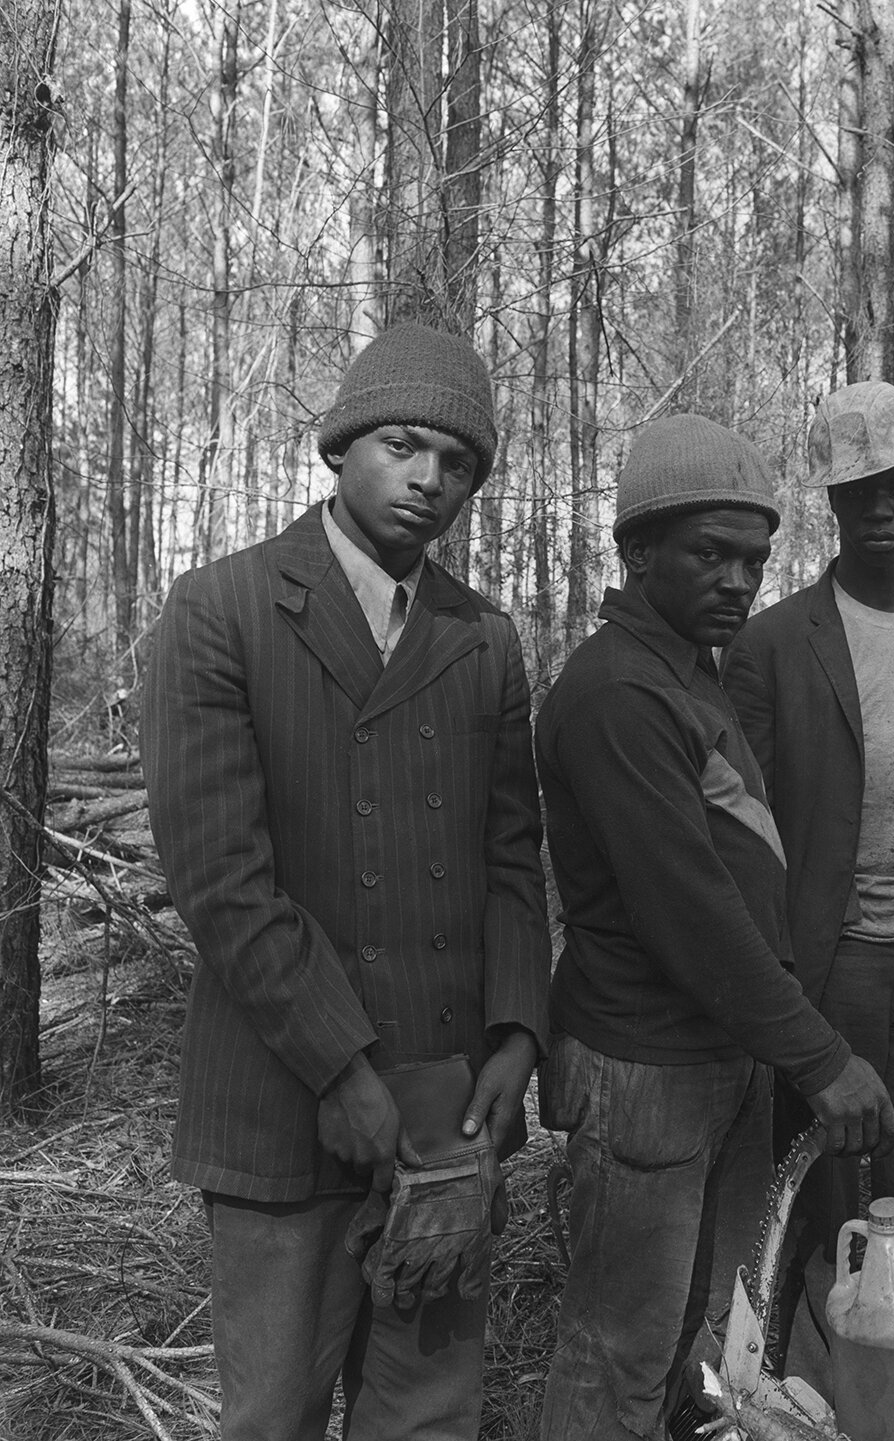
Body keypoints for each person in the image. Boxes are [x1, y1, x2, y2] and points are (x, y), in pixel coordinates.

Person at [141, 323, 551, 1440]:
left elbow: (514, 857)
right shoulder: (220, 612)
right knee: (272, 1414)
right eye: (403, 446)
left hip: (444, 1114)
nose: (428, 479)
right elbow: (221, 877)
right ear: (339, 449)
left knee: (427, 1416)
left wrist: (518, 1032)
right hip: (281, 1110)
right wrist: (339, 1066)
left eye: (457, 463)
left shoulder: (483, 640)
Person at [535, 412, 894, 1441]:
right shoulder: (617, 692)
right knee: (618, 1346)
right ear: (637, 551)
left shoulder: (687, 675)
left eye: (754, 558)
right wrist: (819, 1055)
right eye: (710, 553)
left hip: (713, 1058)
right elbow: (687, 913)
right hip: (645, 1067)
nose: (739, 579)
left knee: (689, 1335)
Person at [721, 381, 894, 1286]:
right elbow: (742, 837)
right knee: (825, 1217)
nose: (880, 505)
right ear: (832, 502)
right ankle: (822, 1405)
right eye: (858, 489)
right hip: (829, 965)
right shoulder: (771, 645)